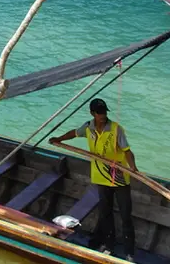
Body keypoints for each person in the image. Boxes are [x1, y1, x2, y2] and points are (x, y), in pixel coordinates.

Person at [50, 98, 137, 260]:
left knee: (126, 215)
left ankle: (129, 253)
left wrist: (133, 168)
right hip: (100, 177)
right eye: (99, 113)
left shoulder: (116, 129)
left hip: (118, 178)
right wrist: (59, 139)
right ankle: (108, 246)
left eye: (104, 112)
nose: (103, 116)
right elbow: (74, 133)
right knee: (106, 213)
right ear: (92, 114)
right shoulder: (88, 128)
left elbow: (127, 151)